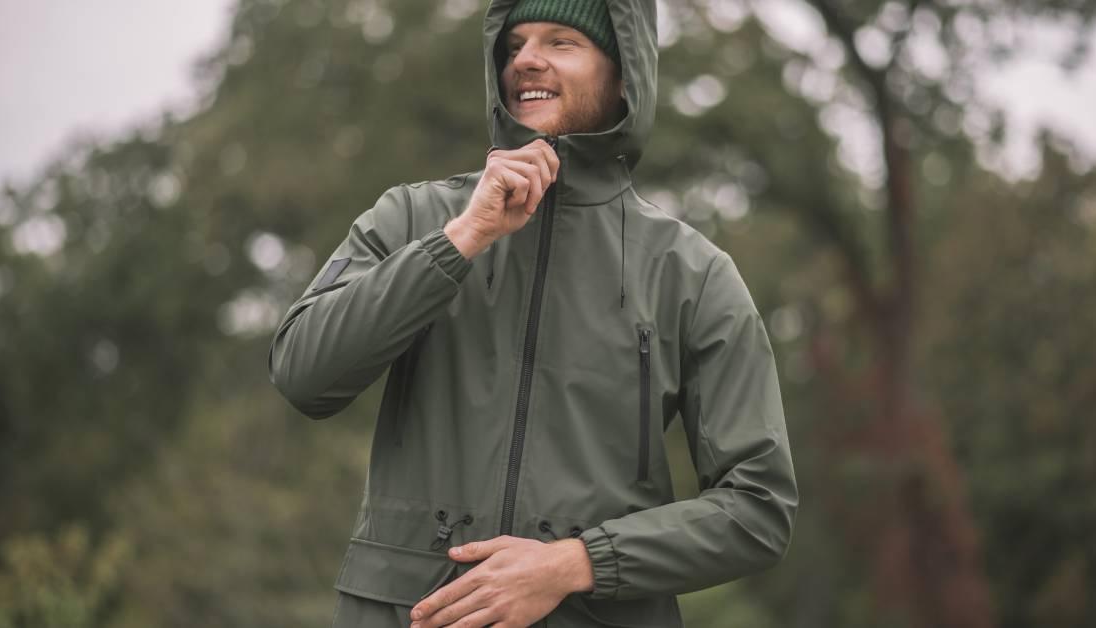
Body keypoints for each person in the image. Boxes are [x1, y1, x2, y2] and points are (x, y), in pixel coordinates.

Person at [267, 0, 799, 626]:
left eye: (562, 41)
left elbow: (758, 506)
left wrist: (577, 563)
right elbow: (303, 375)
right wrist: (461, 239)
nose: (526, 60)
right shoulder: (412, 217)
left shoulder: (693, 273)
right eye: (514, 43)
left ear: (625, 73)